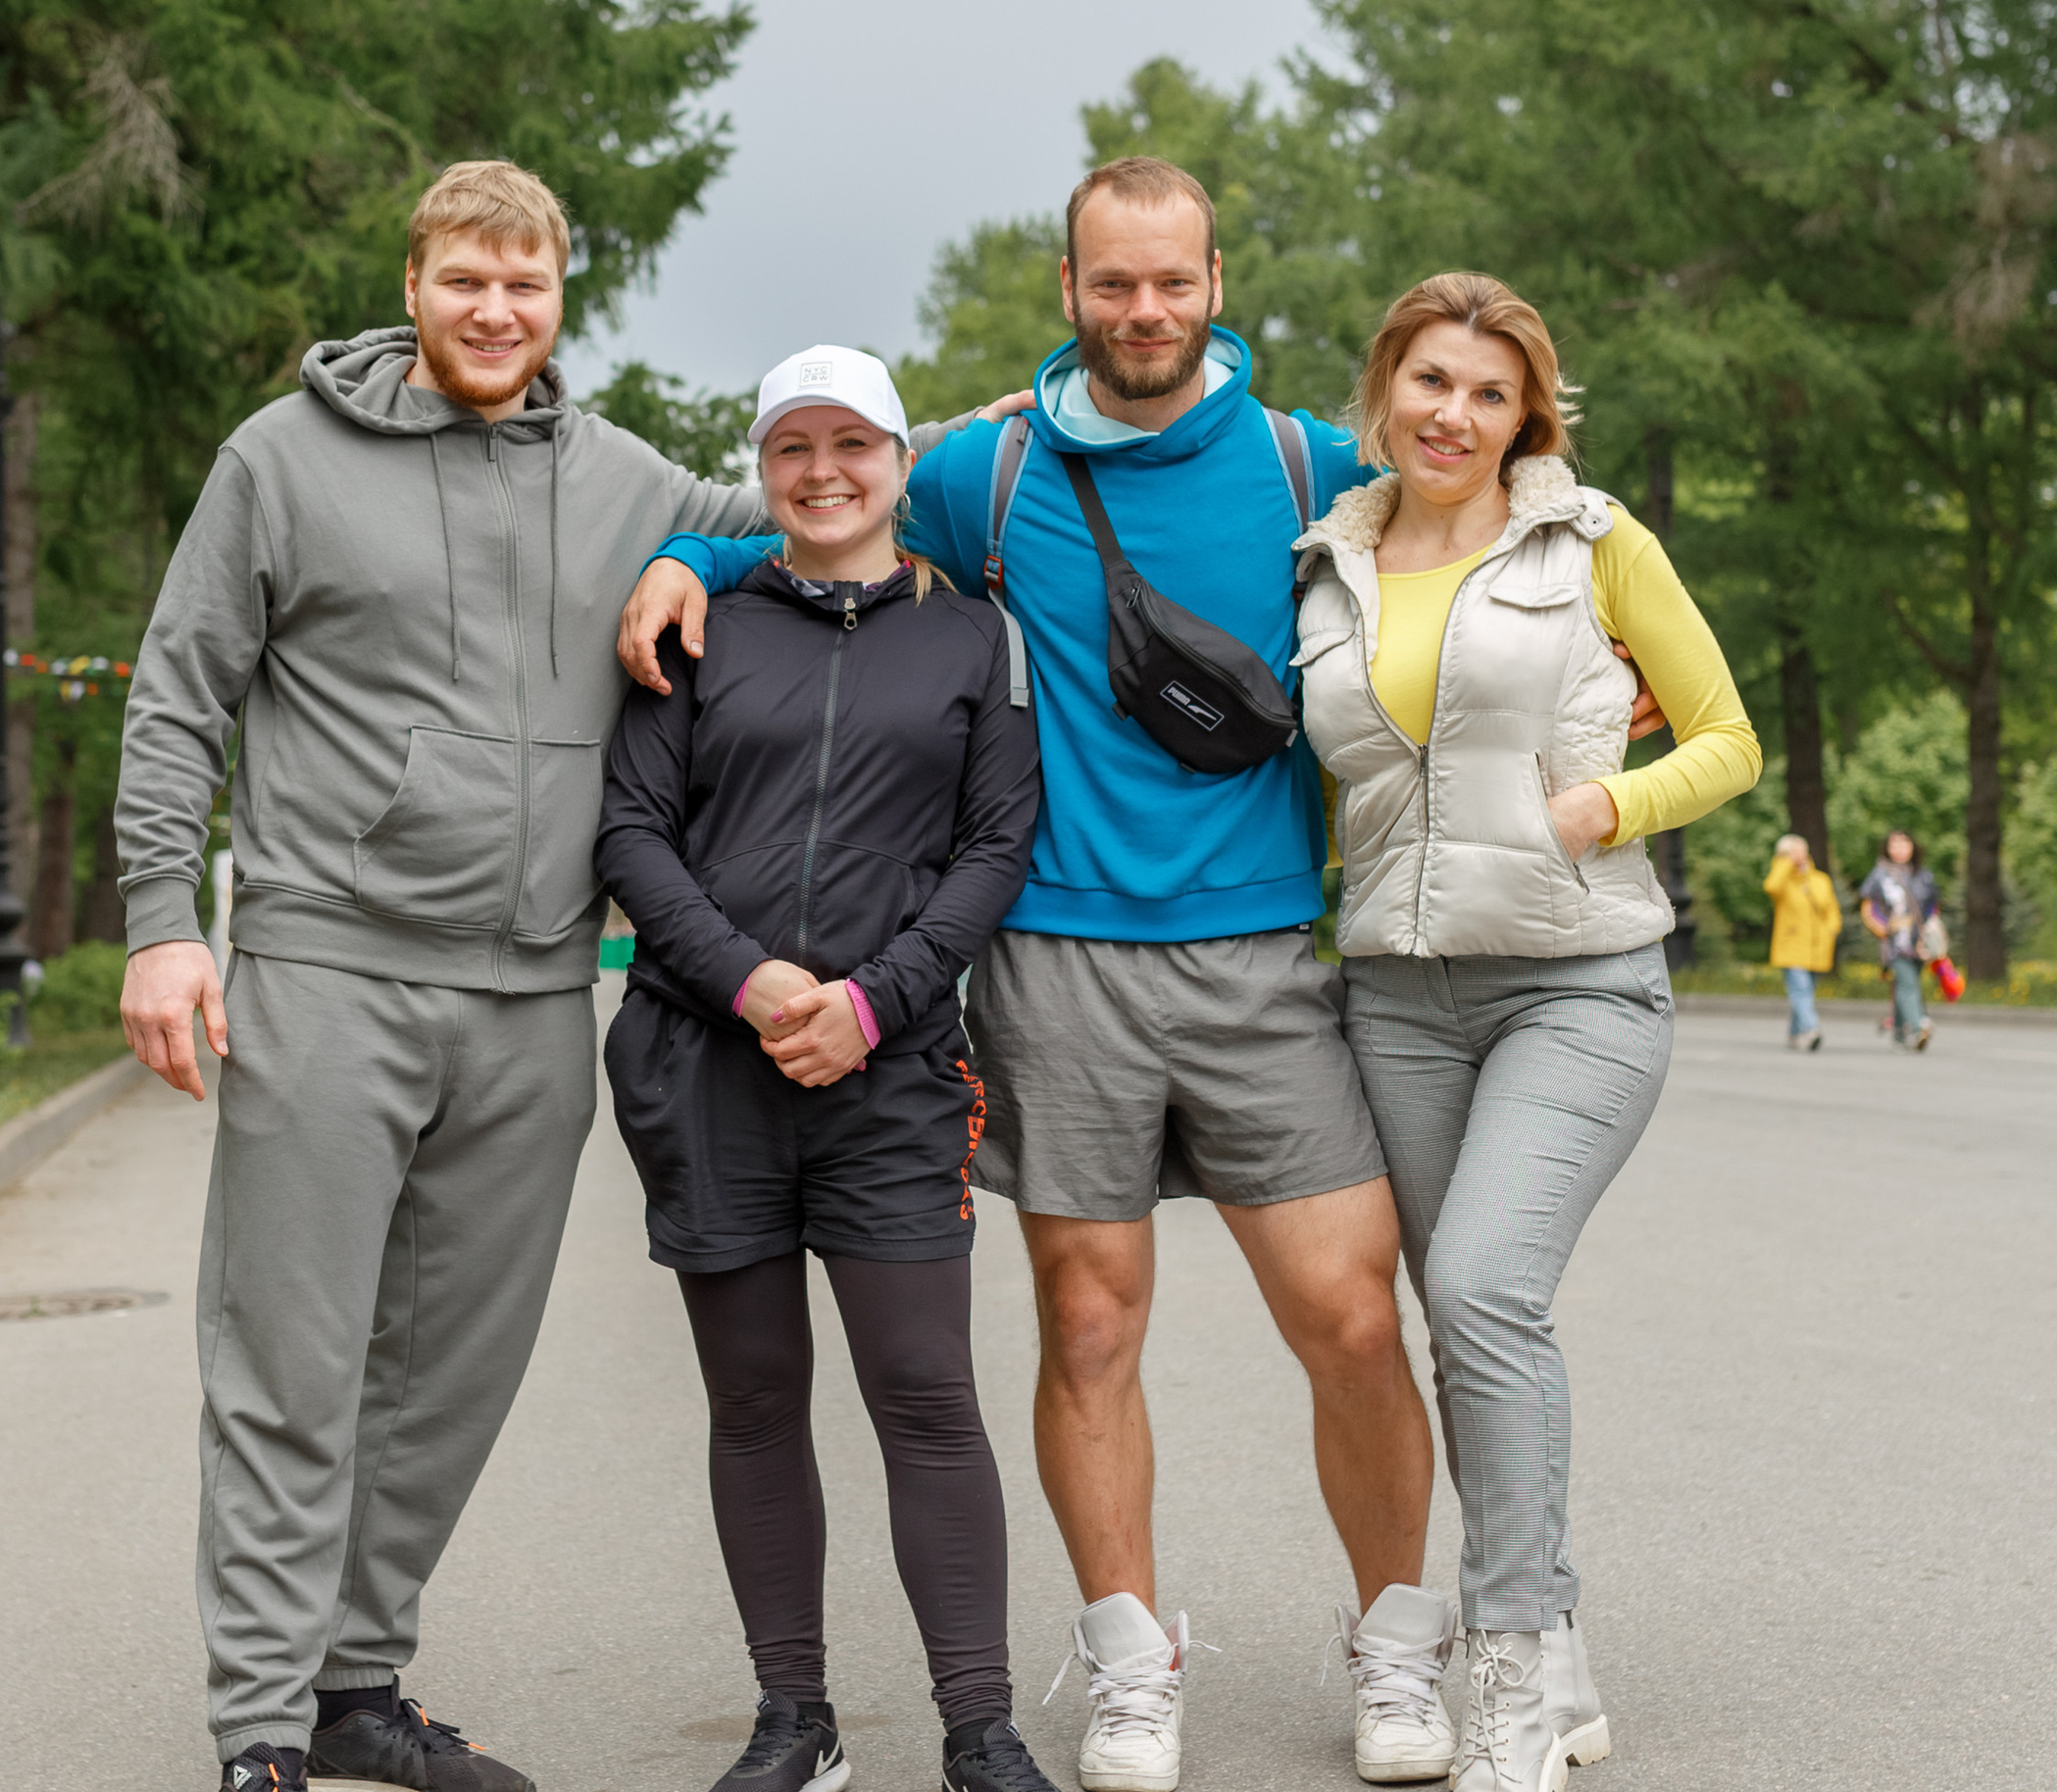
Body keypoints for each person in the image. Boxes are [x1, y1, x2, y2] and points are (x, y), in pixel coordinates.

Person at [625, 158, 1466, 1792]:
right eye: (1111, 285)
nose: (1142, 312)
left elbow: (1488, 524)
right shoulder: (989, 469)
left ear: (1219, 282)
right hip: (1057, 960)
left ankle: (1395, 1644)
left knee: (1354, 1318)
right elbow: (820, 514)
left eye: (1171, 281)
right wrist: (683, 557)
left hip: (1260, 955)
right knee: (1090, 1324)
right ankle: (1134, 1663)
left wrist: (1617, 663)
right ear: (1066, 292)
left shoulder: (1317, 460)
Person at [113, 160, 771, 1792]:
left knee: (453, 1368)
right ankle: (261, 1723)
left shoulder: (622, 479)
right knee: (293, 1352)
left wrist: (729, 556)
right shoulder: (280, 461)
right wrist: (158, 920)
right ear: (412, 284)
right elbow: (178, 690)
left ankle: (356, 1680)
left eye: (527, 285)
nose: (496, 312)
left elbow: (822, 511)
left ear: (563, 299)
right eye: (466, 280)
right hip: (334, 967)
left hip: (540, 992)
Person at [1294, 271, 1762, 1792]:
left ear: (1526, 416)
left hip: (1577, 981)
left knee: (1488, 1288)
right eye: (1433, 381)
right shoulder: (1327, 566)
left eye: (1491, 393)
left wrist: (1605, 805)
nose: (1457, 414)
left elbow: (1727, 737)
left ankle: (1509, 1656)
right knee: (1457, 1319)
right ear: (1386, 390)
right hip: (1397, 996)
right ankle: (1549, 1650)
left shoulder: (1593, 542)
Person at [596, 344, 1054, 1792]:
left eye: (853, 443)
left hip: (897, 1067)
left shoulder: (976, 636)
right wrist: (748, 981)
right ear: (765, 468)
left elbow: (996, 847)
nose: (825, 471)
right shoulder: (697, 624)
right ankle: (794, 1719)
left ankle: (978, 1731)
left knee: (924, 1391)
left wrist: (873, 1001)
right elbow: (631, 833)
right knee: (753, 1395)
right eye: (793, 447)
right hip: (702, 1060)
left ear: (900, 463)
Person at [1860, 830, 1938, 1052]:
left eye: (1905, 844)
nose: (1900, 849)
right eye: (1895, 844)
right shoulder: (1879, 875)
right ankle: (1917, 1027)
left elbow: (1933, 906)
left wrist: (1932, 930)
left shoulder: (1923, 875)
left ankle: (1897, 1033)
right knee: (1907, 983)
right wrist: (1885, 927)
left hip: (1919, 942)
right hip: (1894, 944)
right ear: (1887, 848)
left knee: (1907, 983)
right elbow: (1869, 908)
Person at [1763, 835, 1841, 1049]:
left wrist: (1832, 929)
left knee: (1807, 991)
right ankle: (1811, 1029)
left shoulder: (1819, 879)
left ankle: (1795, 1033)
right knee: (1800, 990)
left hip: (1818, 946)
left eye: (1802, 850)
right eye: (1794, 851)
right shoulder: (1783, 879)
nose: (1800, 855)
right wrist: (1786, 862)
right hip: (1792, 945)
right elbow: (1771, 887)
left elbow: (1831, 909)